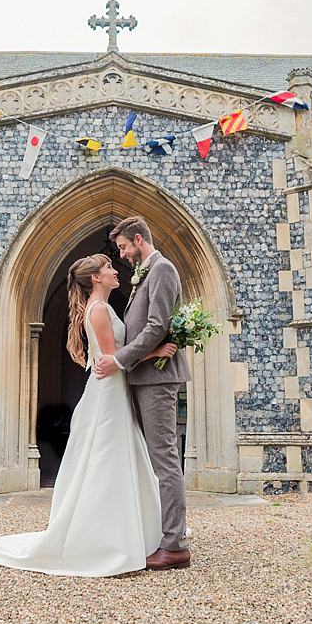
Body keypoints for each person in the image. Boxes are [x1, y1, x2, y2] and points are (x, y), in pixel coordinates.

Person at [0, 253, 176, 576]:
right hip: (108, 394)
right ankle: (105, 539)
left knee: (117, 460)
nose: (115, 271)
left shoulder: (103, 307)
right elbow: (113, 358)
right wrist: (155, 350)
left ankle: (131, 531)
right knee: (107, 462)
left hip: (113, 391)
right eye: (109, 268)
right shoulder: (98, 310)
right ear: (96, 278)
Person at [95, 215, 193, 570]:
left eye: (123, 247)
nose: (122, 255)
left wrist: (119, 360)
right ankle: (163, 532)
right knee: (155, 458)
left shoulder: (163, 269)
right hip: (143, 376)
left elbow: (156, 326)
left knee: (165, 458)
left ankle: (176, 545)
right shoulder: (145, 274)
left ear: (138, 239)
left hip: (157, 378)